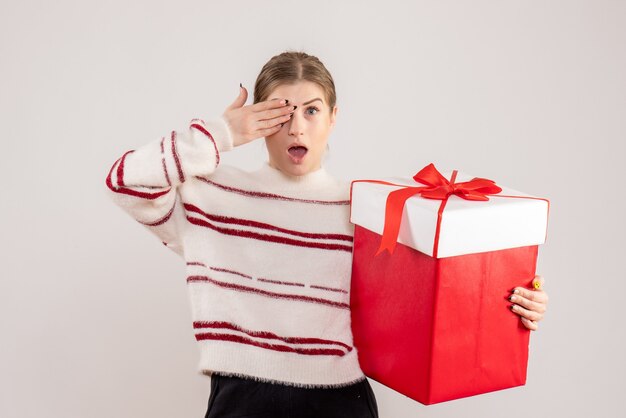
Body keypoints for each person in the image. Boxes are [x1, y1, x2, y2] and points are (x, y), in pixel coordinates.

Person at [104, 50, 549, 418]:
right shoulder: (213, 199)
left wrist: (510, 306)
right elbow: (124, 182)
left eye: (311, 111)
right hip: (242, 400)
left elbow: (430, 307)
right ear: (257, 119)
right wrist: (219, 135)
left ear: (333, 117)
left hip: (340, 401)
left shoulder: (368, 214)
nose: (297, 127)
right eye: (280, 112)